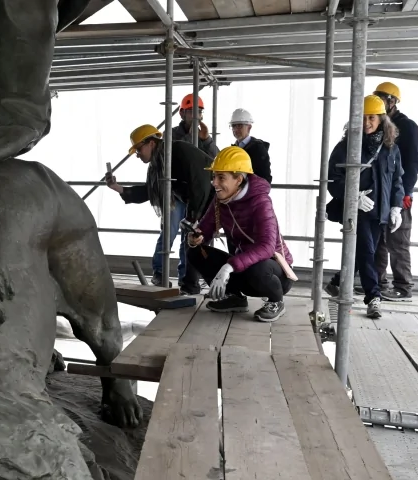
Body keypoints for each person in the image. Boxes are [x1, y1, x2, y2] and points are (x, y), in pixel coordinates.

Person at [185, 147, 296, 322]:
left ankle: (276, 301)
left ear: (239, 179)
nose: (214, 183)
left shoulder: (261, 201)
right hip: (244, 265)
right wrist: (196, 237)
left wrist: (228, 267)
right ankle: (234, 298)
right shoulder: (221, 199)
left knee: (257, 266)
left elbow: (266, 247)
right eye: (214, 176)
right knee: (195, 253)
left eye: (221, 177)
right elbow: (206, 227)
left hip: (274, 272)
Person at [323, 95, 405, 320]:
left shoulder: (390, 149)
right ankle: (373, 298)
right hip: (357, 211)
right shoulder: (345, 147)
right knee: (368, 253)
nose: (367, 122)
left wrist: (396, 206)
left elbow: (398, 180)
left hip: (380, 212)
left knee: (364, 253)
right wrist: (353, 197)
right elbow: (332, 179)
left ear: (382, 119)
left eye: (372, 117)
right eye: (363, 117)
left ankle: (337, 282)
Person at [105, 124, 213, 293]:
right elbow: (150, 190)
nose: (138, 155)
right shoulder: (158, 164)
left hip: (211, 199)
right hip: (195, 199)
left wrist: (192, 217)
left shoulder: (178, 151)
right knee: (190, 240)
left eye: (139, 149)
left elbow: (200, 184)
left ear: (151, 144)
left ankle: (196, 287)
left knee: (194, 240)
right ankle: (185, 284)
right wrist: (117, 187)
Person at [373, 81, 418, 302]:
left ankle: (403, 287)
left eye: (383, 98)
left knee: (398, 240)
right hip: (379, 194)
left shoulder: (408, 127)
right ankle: (377, 283)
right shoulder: (378, 126)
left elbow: (413, 164)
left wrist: (405, 194)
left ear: (392, 101)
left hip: (398, 192)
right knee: (378, 241)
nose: (380, 103)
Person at [229, 108, 272, 183]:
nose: (235, 129)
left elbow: (264, 179)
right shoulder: (233, 149)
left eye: (239, 126)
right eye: (233, 126)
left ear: (249, 128)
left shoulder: (258, 149)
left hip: (251, 192)